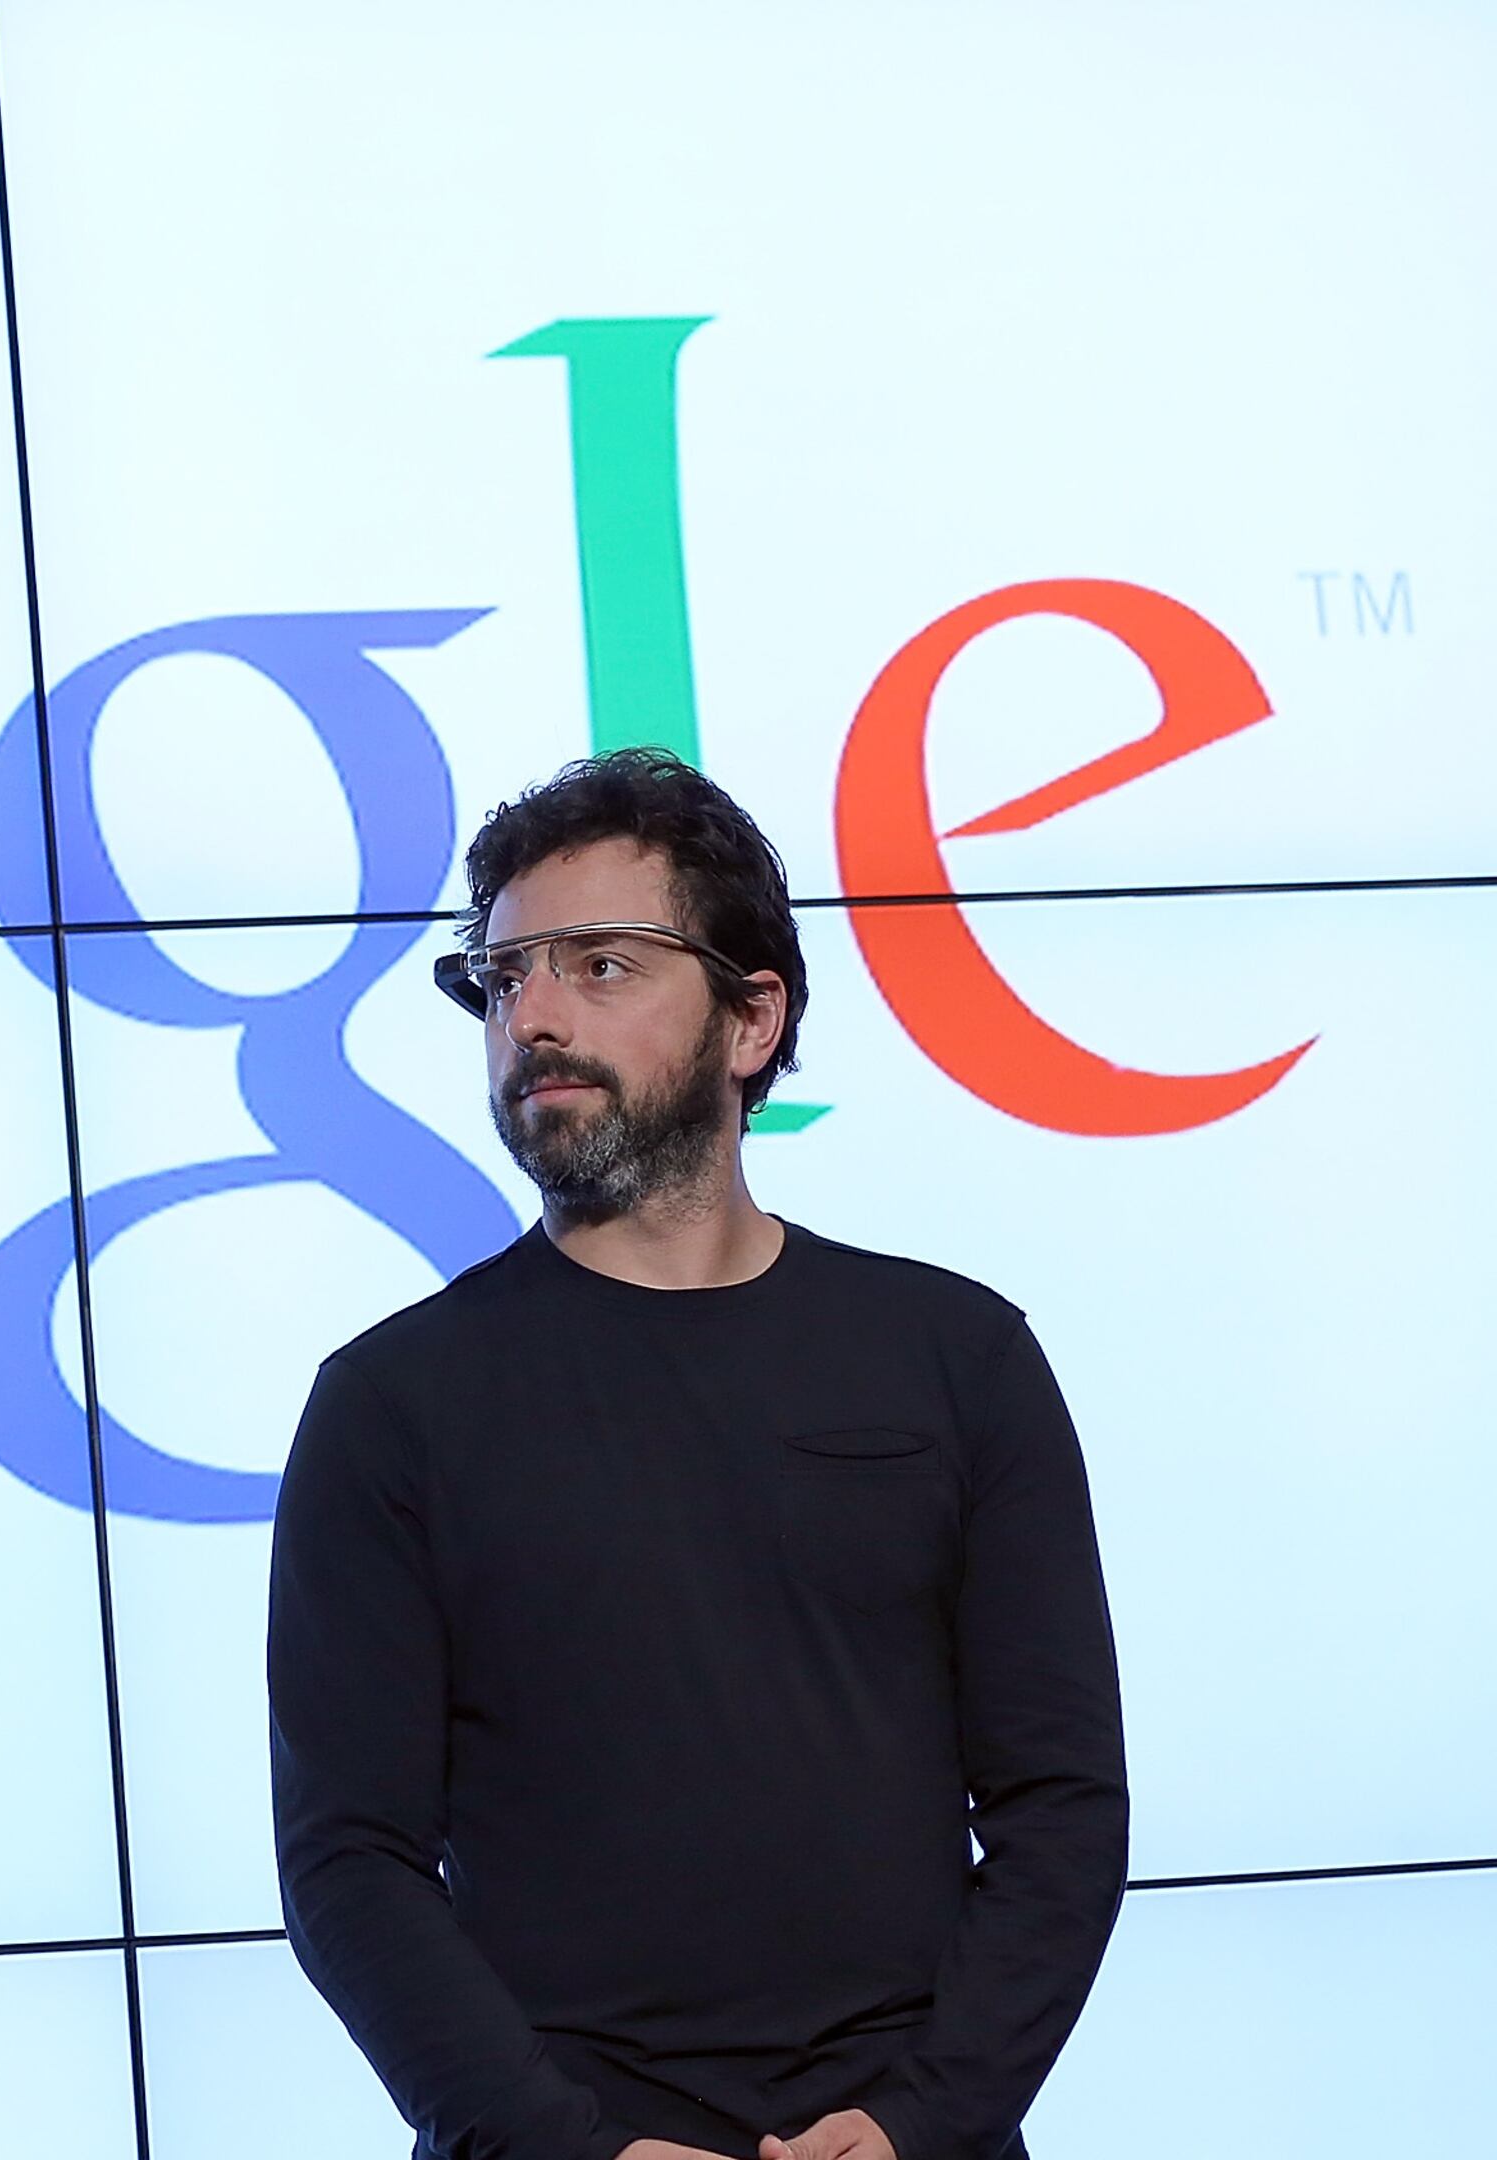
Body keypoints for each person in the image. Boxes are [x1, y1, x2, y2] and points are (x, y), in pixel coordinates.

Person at [266, 749, 1128, 2160]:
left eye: (599, 965)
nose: (532, 1015)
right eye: (504, 978)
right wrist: (564, 2147)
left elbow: (1062, 1805)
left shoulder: (957, 1355)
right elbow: (349, 1864)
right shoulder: (390, 1402)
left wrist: (926, 2119)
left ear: (750, 1019)